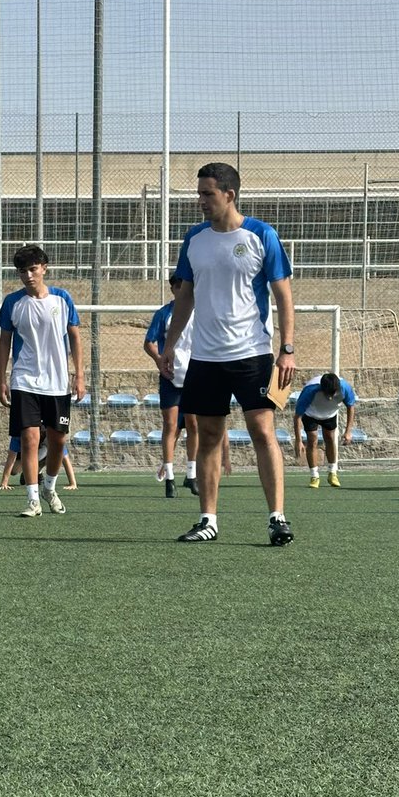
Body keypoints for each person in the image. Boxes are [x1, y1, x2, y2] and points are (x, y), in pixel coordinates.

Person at [161, 161, 296, 545]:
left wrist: (286, 350)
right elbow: (185, 296)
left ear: (229, 194)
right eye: (199, 193)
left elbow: (283, 296)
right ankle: (208, 520)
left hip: (253, 354)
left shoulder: (261, 235)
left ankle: (276, 517)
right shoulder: (194, 238)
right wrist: (170, 346)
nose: (200, 201)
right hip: (205, 357)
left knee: (262, 430)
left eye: (208, 193)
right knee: (208, 436)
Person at [0, 244, 85, 518]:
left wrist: (79, 374)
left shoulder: (62, 299)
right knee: (30, 437)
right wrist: (2, 378)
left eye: (33, 269)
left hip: (57, 382)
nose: (28, 275)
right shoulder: (13, 302)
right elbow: (4, 343)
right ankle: (32, 499)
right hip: (25, 380)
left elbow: (75, 337)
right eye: (22, 271)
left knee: (58, 439)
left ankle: (50, 487)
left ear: (44, 268)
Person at [144, 272, 199, 498]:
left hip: (196, 376)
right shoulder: (165, 313)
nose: (185, 290)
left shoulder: (202, 311)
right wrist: (159, 361)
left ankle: (192, 474)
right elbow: (149, 343)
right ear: (174, 288)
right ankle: (169, 477)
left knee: (195, 425)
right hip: (171, 376)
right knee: (171, 426)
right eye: (180, 286)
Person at [293, 372, 358, 488]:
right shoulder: (310, 390)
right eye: (327, 393)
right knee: (312, 440)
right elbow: (297, 416)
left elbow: (350, 406)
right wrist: (298, 440)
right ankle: (314, 476)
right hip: (311, 413)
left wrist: (348, 431)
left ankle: (332, 473)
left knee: (330, 438)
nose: (330, 397)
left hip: (330, 414)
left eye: (333, 394)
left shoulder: (345, 388)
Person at [0, 429, 78, 491]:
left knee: (55, 455)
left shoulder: (52, 436)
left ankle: (37, 471)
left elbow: (65, 459)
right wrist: (4, 482)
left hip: (42, 454)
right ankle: (28, 470)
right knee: (14, 471)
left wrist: (73, 483)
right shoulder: (20, 433)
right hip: (26, 455)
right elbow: (11, 457)